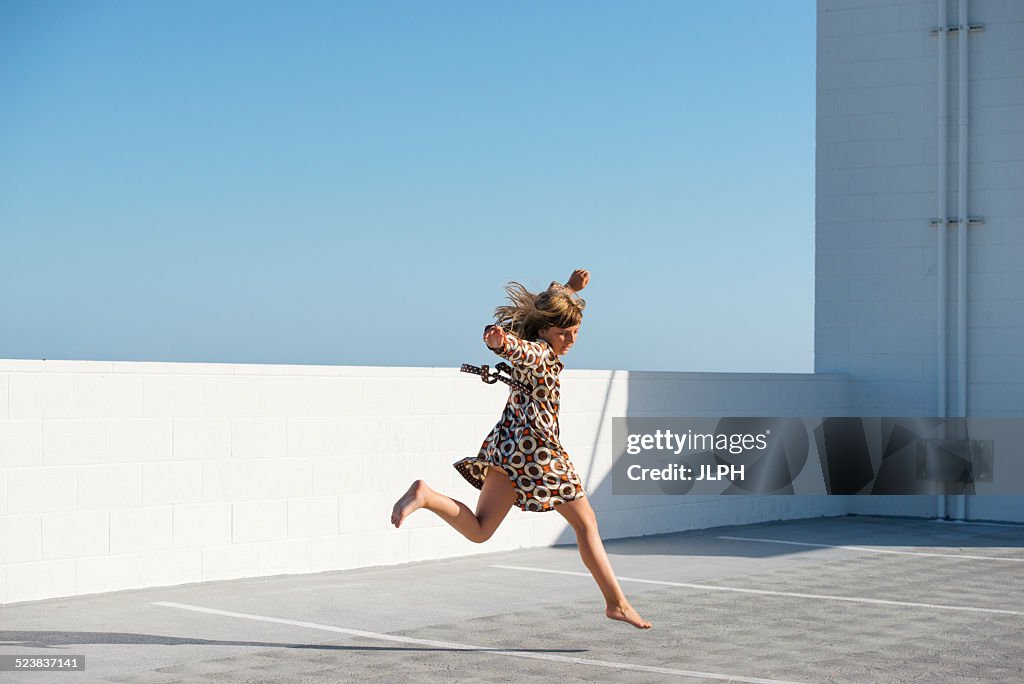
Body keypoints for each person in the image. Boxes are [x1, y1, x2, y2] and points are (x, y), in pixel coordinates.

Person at [391, 269, 652, 629]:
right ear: (544, 330)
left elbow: (542, 315)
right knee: (587, 524)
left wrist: (570, 289)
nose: (571, 340)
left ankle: (427, 496)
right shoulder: (541, 354)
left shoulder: (545, 337)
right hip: (539, 455)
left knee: (481, 530)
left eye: (576, 333)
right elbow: (523, 350)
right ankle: (616, 603)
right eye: (564, 333)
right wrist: (501, 345)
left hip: (506, 451)